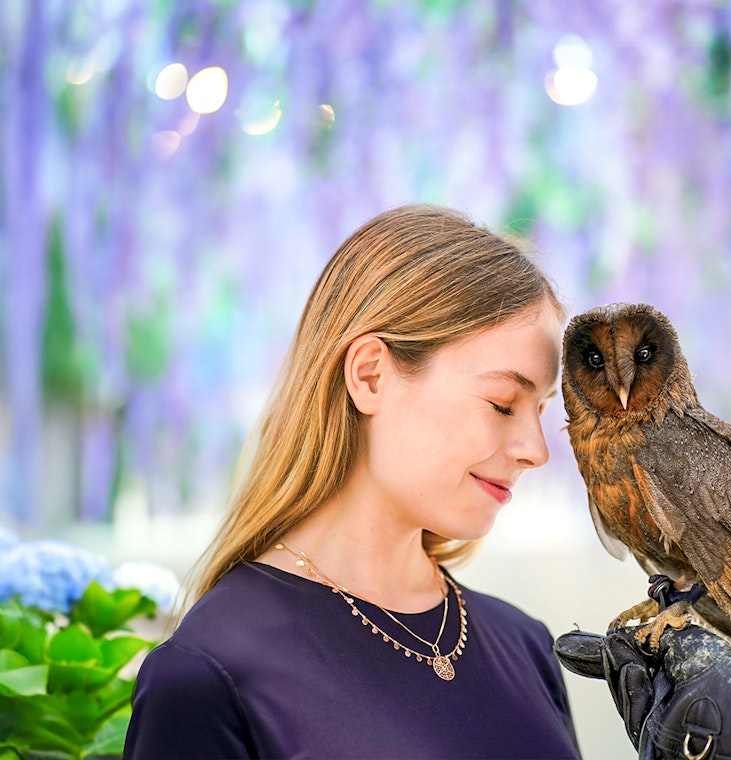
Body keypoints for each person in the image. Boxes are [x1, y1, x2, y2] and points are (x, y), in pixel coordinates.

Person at [124, 204, 581, 759]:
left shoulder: (528, 647)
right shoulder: (209, 676)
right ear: (370, 375)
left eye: (544, 410)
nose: (536, 451)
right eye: (503, 403)